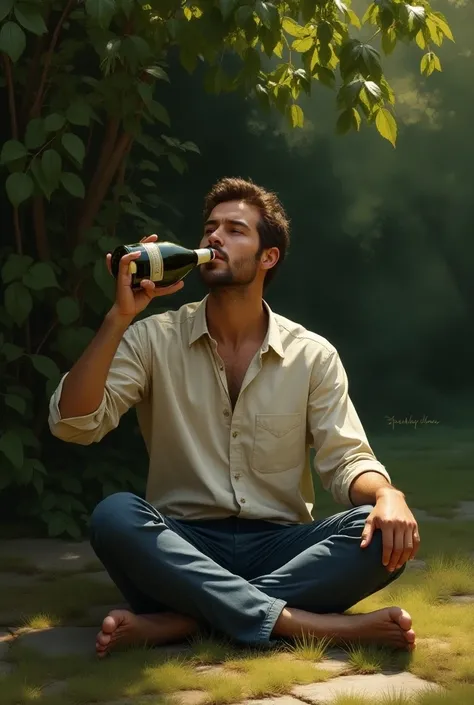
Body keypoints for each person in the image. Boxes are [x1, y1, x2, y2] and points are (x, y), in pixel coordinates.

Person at [49, 177, 420, 658]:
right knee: (115, 516)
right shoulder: (153, 338)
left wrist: (390, 495)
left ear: (269, 257)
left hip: (279, 542)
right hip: (183, 541)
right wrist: (119, 318)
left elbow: (346, 459)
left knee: (378, 533)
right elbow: (73, 424)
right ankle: (304, 623)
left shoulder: (312, 355)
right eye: (209, 228)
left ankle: (182, 619)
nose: (214, 238)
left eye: (234, 229)